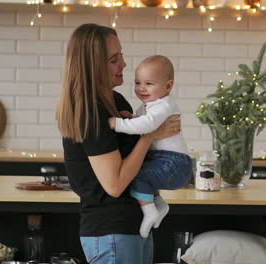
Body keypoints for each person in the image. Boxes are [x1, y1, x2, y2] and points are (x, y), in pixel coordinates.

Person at [56, 23, 181, 264]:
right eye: (114, 60)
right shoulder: (91, 113)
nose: (123, 64)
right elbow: (114, 184)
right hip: (111, 231)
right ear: (93, 67)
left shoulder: (114, 100)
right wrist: (149, 136)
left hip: (131, 227)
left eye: (120, 55)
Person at [108, 55, 193, 238]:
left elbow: (146, 125)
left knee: (137, 175)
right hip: (166, 161)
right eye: (138, 82)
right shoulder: (150, 105)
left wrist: (118, 123)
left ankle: (149, 211)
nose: (141, 89)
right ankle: (158, 204)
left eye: (149, 83)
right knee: (140, 173)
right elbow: (142, 123)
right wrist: (130, 119)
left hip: (173, 163)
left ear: (168, 86)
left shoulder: (164, 105)